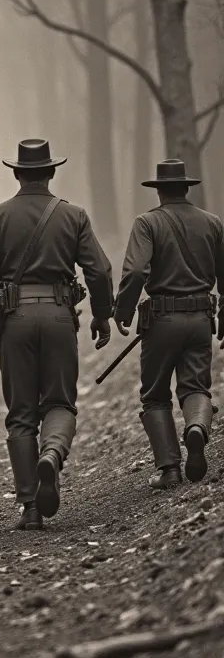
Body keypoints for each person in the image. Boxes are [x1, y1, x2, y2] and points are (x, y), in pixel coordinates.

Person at [0, 139, 114, 530]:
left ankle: (30, 506)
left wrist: (3, 289)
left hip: (14, 320)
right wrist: (101, 316)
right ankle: (52, 455)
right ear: (51, 173)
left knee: (20, 415)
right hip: (60, 317)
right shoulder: (74, 215)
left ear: (16, 173)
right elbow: (98, 271)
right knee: (61, 402)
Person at [113, 159, 224, 489]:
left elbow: (135, 272)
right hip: (202, 317)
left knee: (155, 395)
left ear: (158, 190)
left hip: (162, 320)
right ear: (187, 188)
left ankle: (169, 470)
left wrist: (124, 310)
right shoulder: (213, 223)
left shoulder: (147, 223)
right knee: (196, 387)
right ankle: (196, 429)